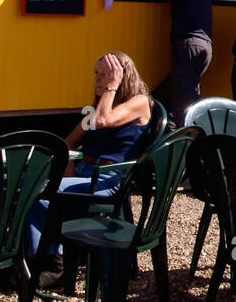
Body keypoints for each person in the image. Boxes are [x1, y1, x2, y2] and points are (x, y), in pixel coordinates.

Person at [27, 52, 153, 286]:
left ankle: (53, 265)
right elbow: (68, 142)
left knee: (39, 193)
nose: (97, 80)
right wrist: (70, 174)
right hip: (85, 173)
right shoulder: (96, 109)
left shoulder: (139, 102)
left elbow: (105, 120)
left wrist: (111, 87)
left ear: (120, 78)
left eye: (105, 74)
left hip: (109, 180)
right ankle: (23, 257)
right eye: (96, 73)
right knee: (20, 183)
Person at [137, 0, 213, 121]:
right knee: (176, 91)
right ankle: (165, 124)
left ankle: (187, 140)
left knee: (183, 102)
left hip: (187, 44)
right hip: (206, 46)